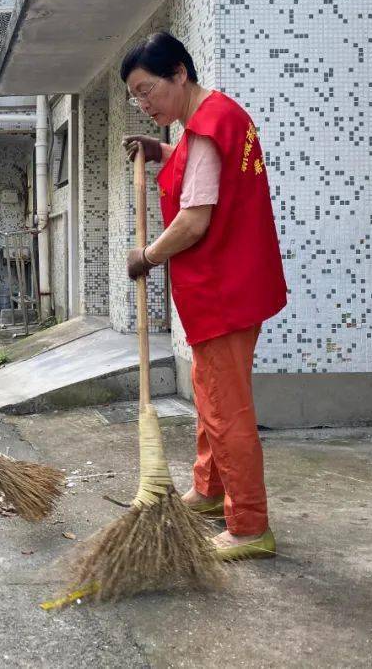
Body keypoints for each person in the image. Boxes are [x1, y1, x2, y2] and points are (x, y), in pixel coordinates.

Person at [121, 31, 287, 561]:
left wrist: (146, 256)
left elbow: (194, 220)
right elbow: (198, 171)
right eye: (136, 96)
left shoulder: (211, 125)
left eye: (148, 90)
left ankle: (249, 525)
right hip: (232, 286)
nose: (144, 103)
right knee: (212, 396)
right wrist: (160, 149)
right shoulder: (209, 123)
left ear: (180, 74)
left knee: (225, 408)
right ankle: (212, 491)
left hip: (222, 290)